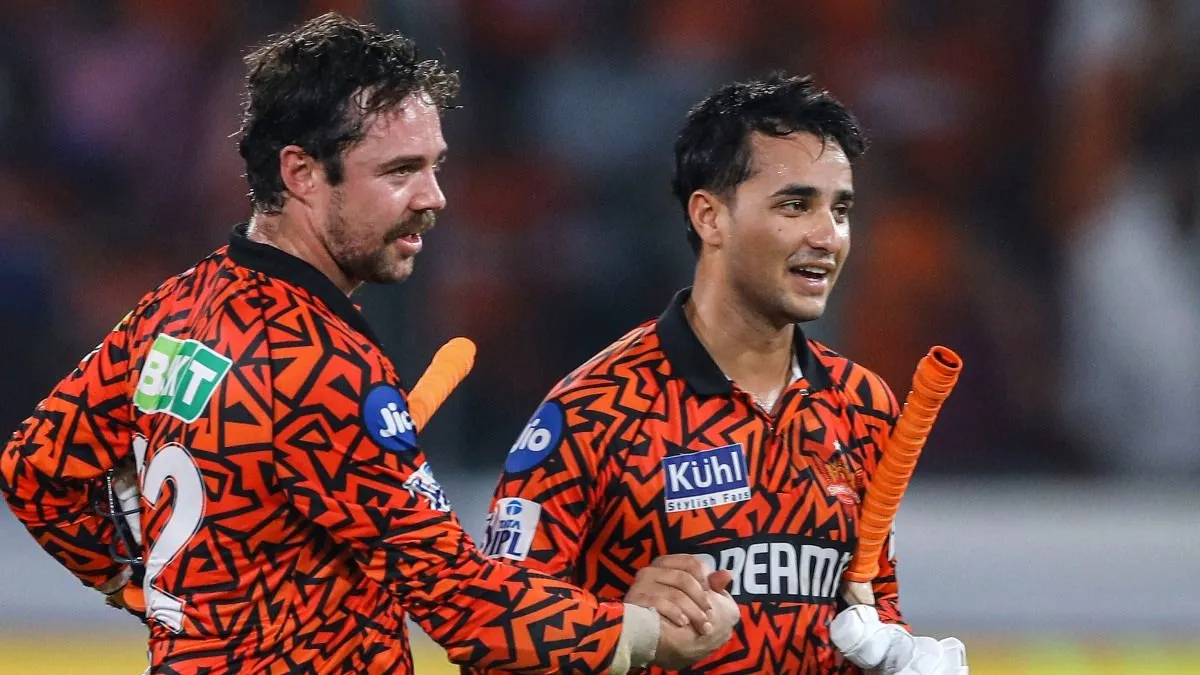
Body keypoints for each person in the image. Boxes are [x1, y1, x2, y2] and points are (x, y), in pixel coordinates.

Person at [0, 13, 741, 674]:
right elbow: (464, 604)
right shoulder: (320, 364)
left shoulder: (175, 308)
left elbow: (34, 472)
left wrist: (149, 590)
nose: (434, 196)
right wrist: (644, 633)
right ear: (300, 173)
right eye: (399, 171)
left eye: (435, 165)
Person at [475, 74, 969, 674]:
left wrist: (896, 653)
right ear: (710, 217)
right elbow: (496, 635)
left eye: (840, 210)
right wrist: (622, 631)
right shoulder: (593, 411)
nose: (828, 236)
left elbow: (870, 598)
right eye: (795, 205)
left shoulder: (862, 403)